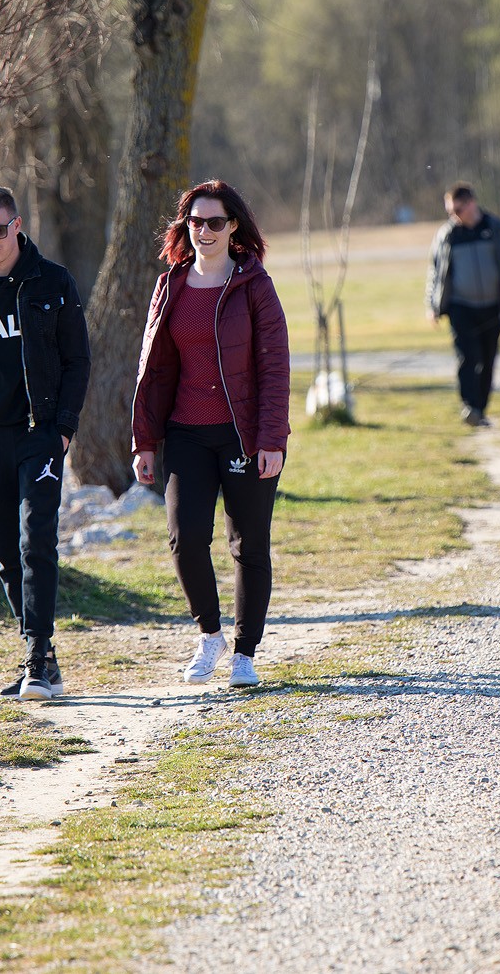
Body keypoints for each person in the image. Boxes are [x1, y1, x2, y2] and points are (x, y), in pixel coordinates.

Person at [131, 180, 289, 689]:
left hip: (243, 435)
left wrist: (272, 440)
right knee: (185, 537)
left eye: (215, 222)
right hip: (186, 435)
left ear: (233, 226)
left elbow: (274, 368)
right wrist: (144, 441)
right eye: (195, 222)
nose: (204, 231)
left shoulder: (254, 286)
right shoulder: (170, 286)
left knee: (249, 545)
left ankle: (245, 653)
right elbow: (153, 372)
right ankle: (210, 636)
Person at [0, 185, 91, 701]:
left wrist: (64, 427)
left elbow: (77, 360)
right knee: (8, 555)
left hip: (39, 434)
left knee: (36, 543)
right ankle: (41, 656)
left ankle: (37, 657)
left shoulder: (53, 281)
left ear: (17, 225)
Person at [426, 182, 500, 427]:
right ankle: (470, 406)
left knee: (487, 358)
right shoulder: (447, 235)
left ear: (472, 203)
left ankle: (481, 408)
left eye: (458, 210)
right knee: (467, 357)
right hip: (460, 307)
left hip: (493, 308)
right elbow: (435, 272)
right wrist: (432, 305)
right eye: (450, 211)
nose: (454, 216)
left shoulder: (495, 228)